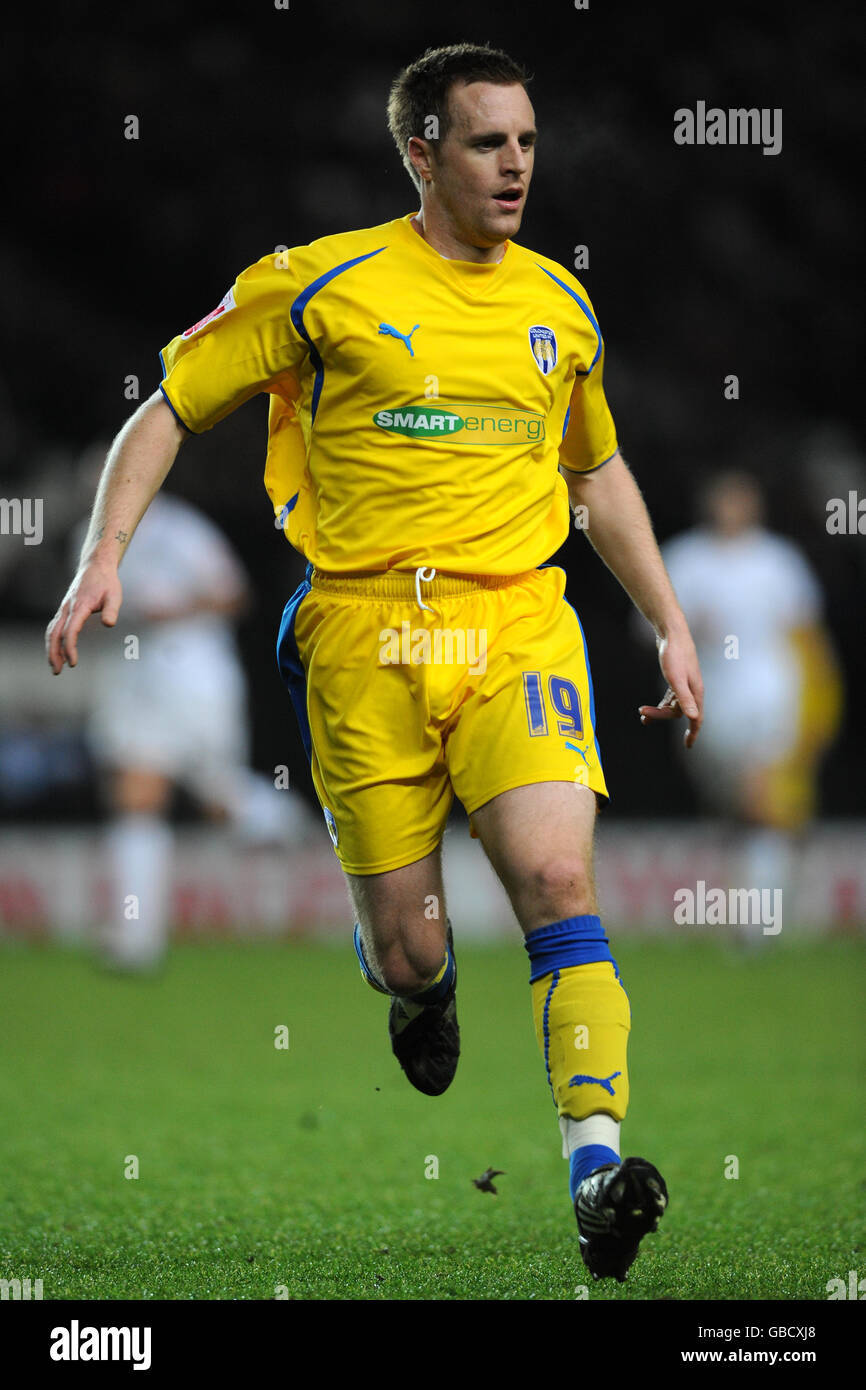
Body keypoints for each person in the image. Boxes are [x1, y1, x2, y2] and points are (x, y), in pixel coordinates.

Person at [46, 43, 704, 1283]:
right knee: (408, 946)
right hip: (363, 638)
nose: (514, 164)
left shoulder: (560, 308)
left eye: (524, 140)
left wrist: (664, 617)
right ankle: (418, 991)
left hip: (516, 623)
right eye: (484, 143)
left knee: (559, 881)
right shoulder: (318, 285)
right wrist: (104, 556)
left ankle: (595, 1175)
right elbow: (169, 408)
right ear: (420, 154)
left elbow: (595, 468)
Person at [72, 487, 308, 970]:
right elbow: (85, 611)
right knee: (137, 798)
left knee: (218, 797)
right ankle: (135, 940)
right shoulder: (89, 540)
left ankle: (284, 821)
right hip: (133, 681)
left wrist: (170, 611)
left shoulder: (180, 528)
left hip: (195, 678)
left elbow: (234, 594)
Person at [660, 471, 842, 935]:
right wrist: (683, 631)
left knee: (760, 800)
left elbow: (806, 636)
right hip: (707, 705)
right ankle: (761, 905)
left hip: (769, 697)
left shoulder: (778, 562)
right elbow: (647, 630)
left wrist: (818, 704)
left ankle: (756, 929)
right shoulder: (685, 559)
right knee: (735, 812)